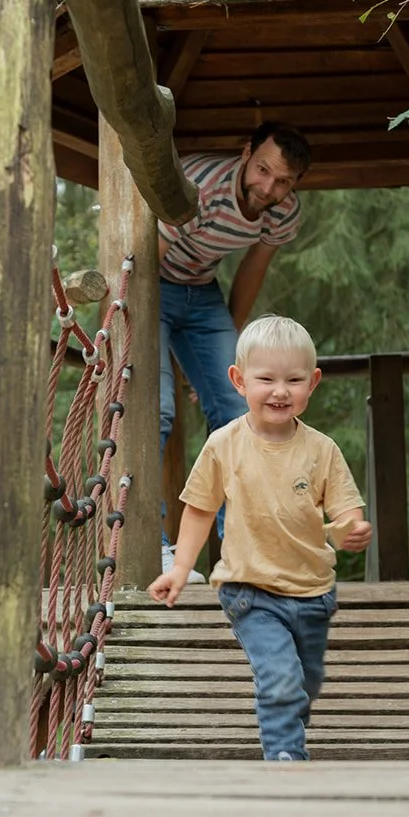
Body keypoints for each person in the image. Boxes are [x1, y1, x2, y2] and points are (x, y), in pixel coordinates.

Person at [149, 316, 373, 761]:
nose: (279, 391)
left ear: (313, 383)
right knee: (280, 678)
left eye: (293, 380)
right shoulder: (223, 444)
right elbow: (199, 510)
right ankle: (286, 759)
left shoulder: (321, 449)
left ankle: (287, 713)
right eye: (266, 379)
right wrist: (178, 566)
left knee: (304, 682)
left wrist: (352, 527)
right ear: (238, 380)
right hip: (248, 590)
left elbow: (346, 507)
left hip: (312, 592)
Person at [159, 121, 312, 578]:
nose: (268, 187)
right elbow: (143, 251)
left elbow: (251, 270)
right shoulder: (198, 190)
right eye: (262, 169)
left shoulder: (283, 212)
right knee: (156, 409)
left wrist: (227, 359)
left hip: (202, 293)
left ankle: (241, 547)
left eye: (283, 180)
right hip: (152, 283)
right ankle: (155, 544)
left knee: (239, 407)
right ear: (245, 153)